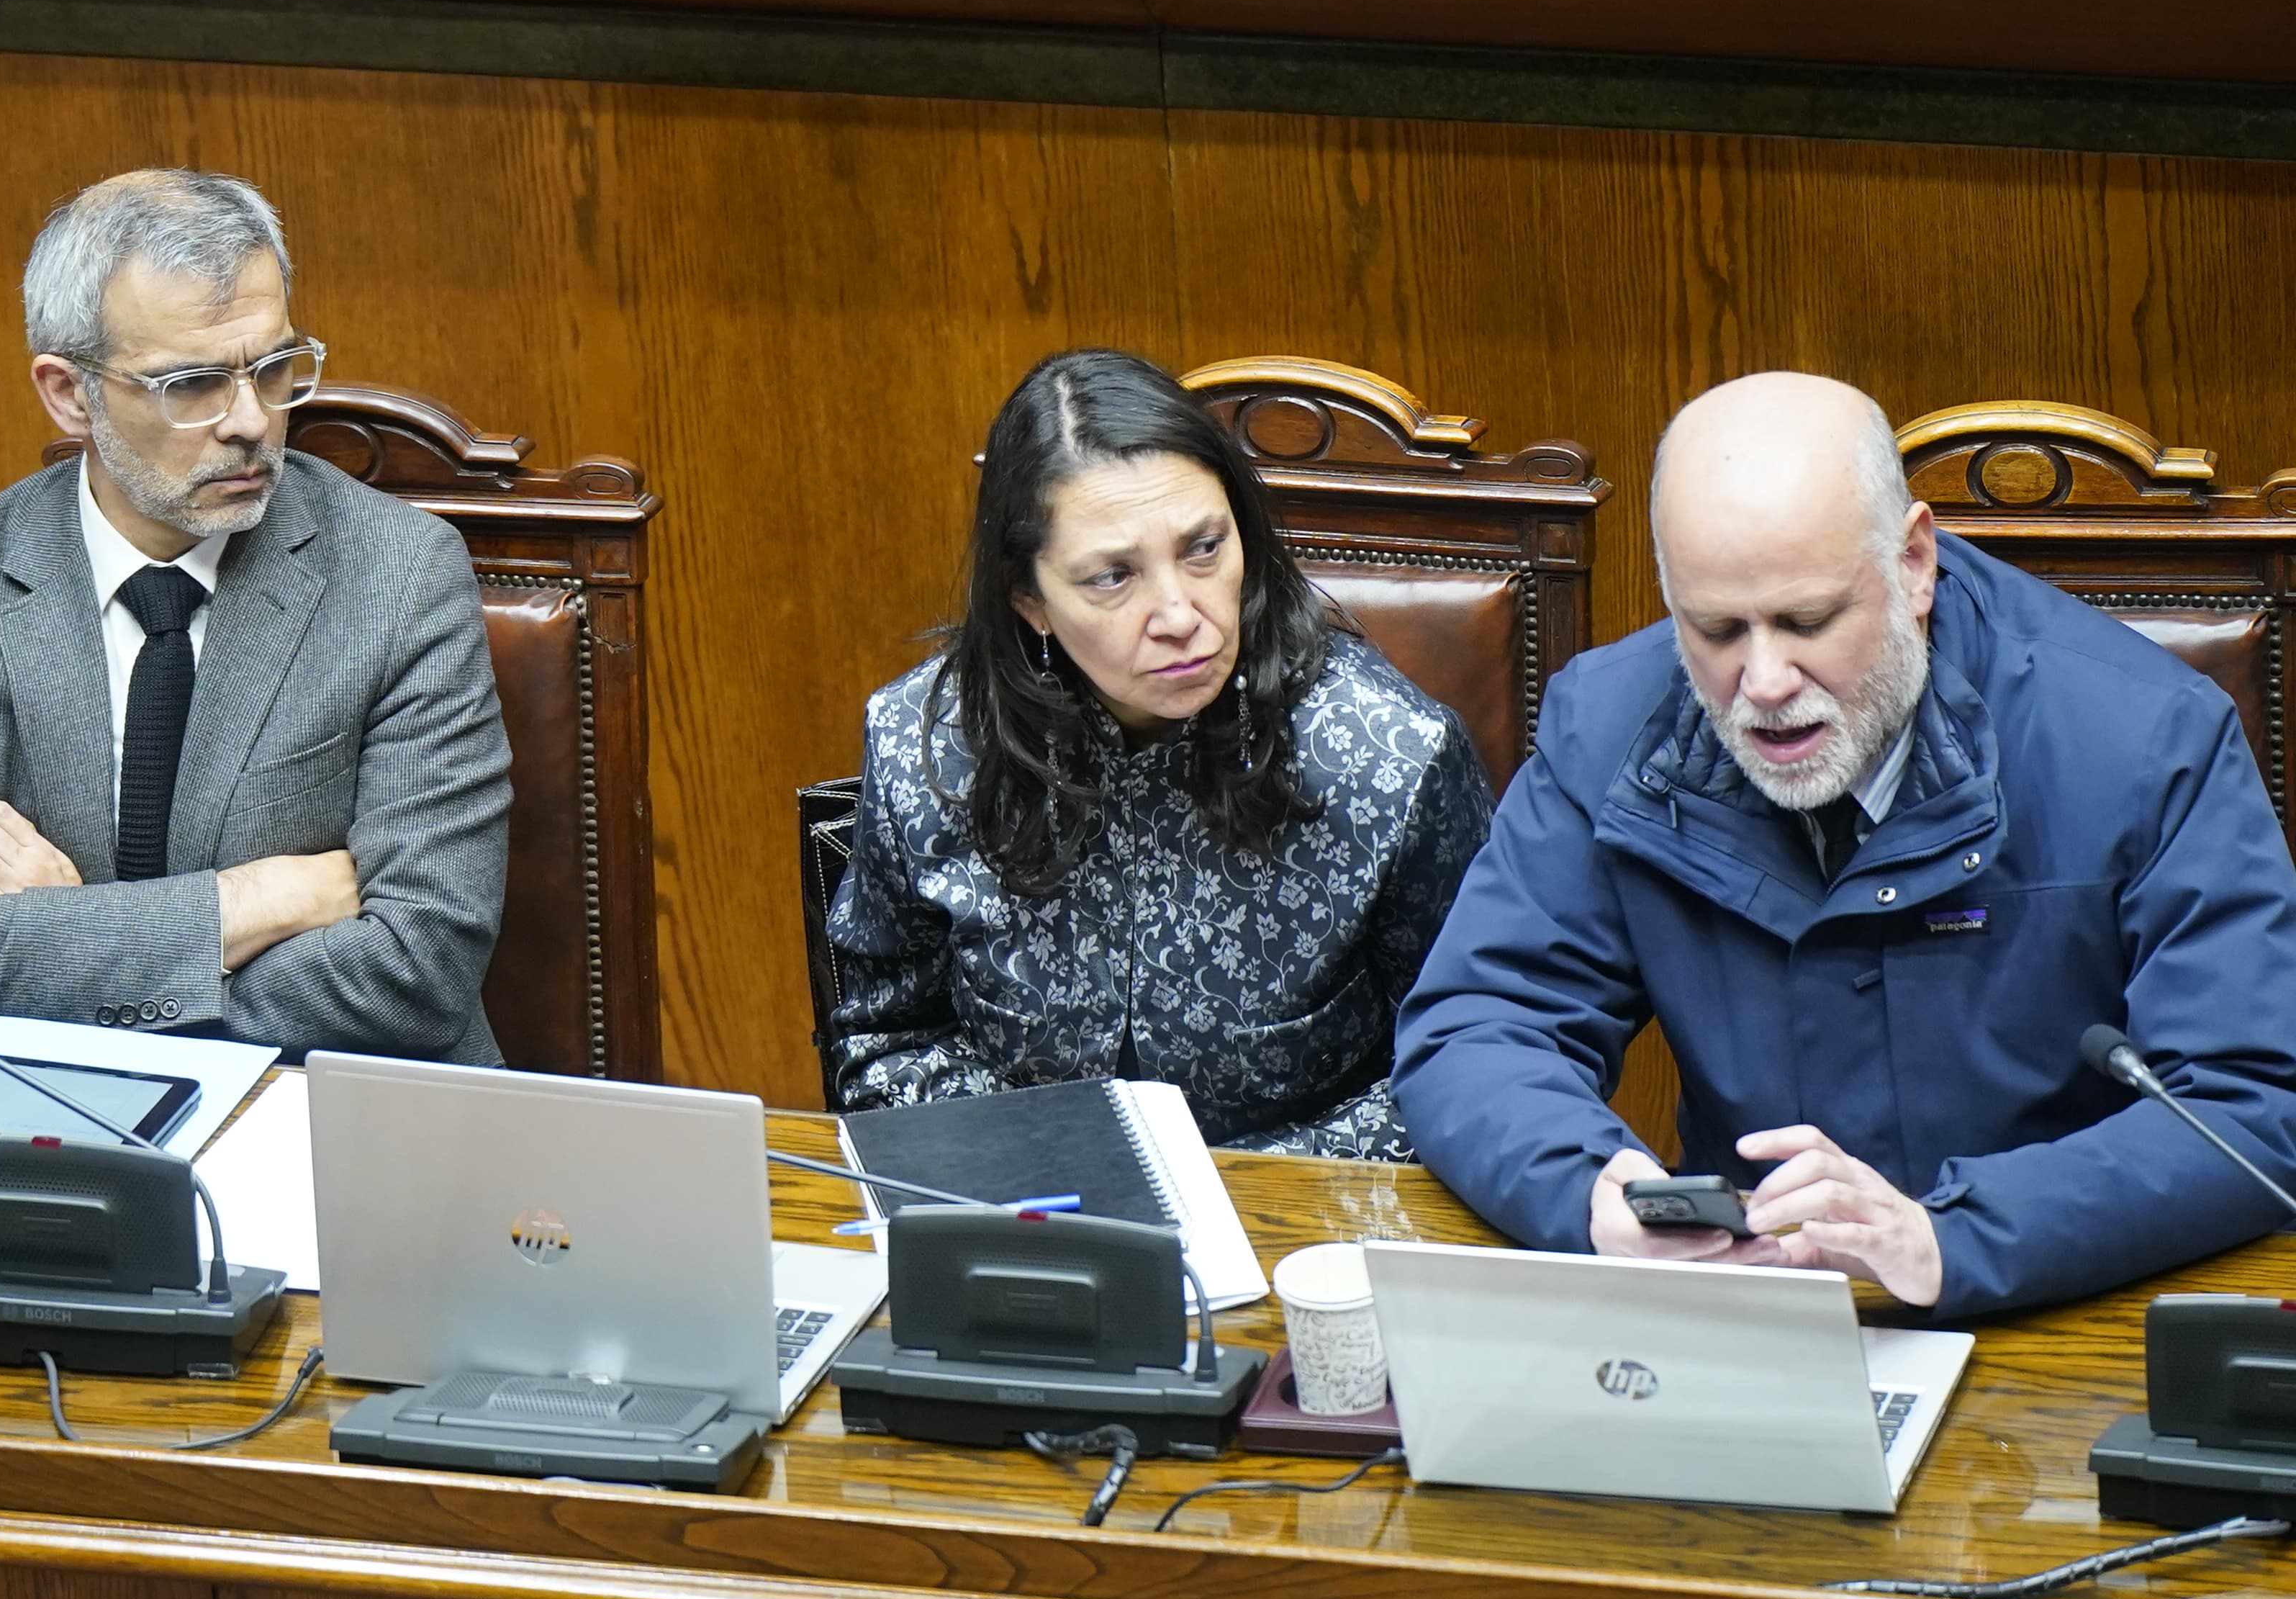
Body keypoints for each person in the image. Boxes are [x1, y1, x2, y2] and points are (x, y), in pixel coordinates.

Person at [1394, 370, 2296, 1317]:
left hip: (2061, 1302)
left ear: (1914, 563)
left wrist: (1954, 1237)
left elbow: (2252, 1102)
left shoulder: (2146, 739)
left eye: (1808, 621)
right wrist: (1588, 1190)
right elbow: (1477, 1024)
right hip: (1757, 1307)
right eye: (1716, 629)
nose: (1765, 681)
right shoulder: (1611, 729)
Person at [0, 169, 508, 1062]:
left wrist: (71, 937)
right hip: (47, 1099)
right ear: (69, 393)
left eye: (273, 368)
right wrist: (260, 900)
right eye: (192, 384)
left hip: (326, 1095)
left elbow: (420, 966)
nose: (251, 422)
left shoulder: (400, 576)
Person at [825, 349, 1493, 1156]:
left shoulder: (1387, 757)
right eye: (1113, 577)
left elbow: (1479, 1058)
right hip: (1028, 1203)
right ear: (1030, 599)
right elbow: (888, 1038)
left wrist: (1229, 1196)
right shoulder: (924, 743)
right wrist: (1046, 1171)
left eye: (1204, 548)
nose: (1179, 615)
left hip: (1309, 1215)